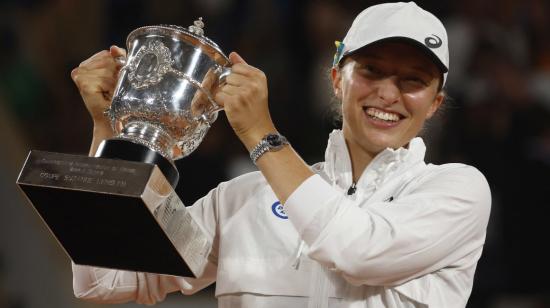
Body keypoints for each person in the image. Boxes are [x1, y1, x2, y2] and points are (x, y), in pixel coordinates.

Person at [70, 2, 491, 307]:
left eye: (413, 80)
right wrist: (111, 128)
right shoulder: (241, 199)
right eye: (372, 70)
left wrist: (259, 132)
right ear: (337, 79)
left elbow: (355, 249)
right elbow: (103, 279)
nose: (387, 92)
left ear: (435, 103)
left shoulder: (456, 192)